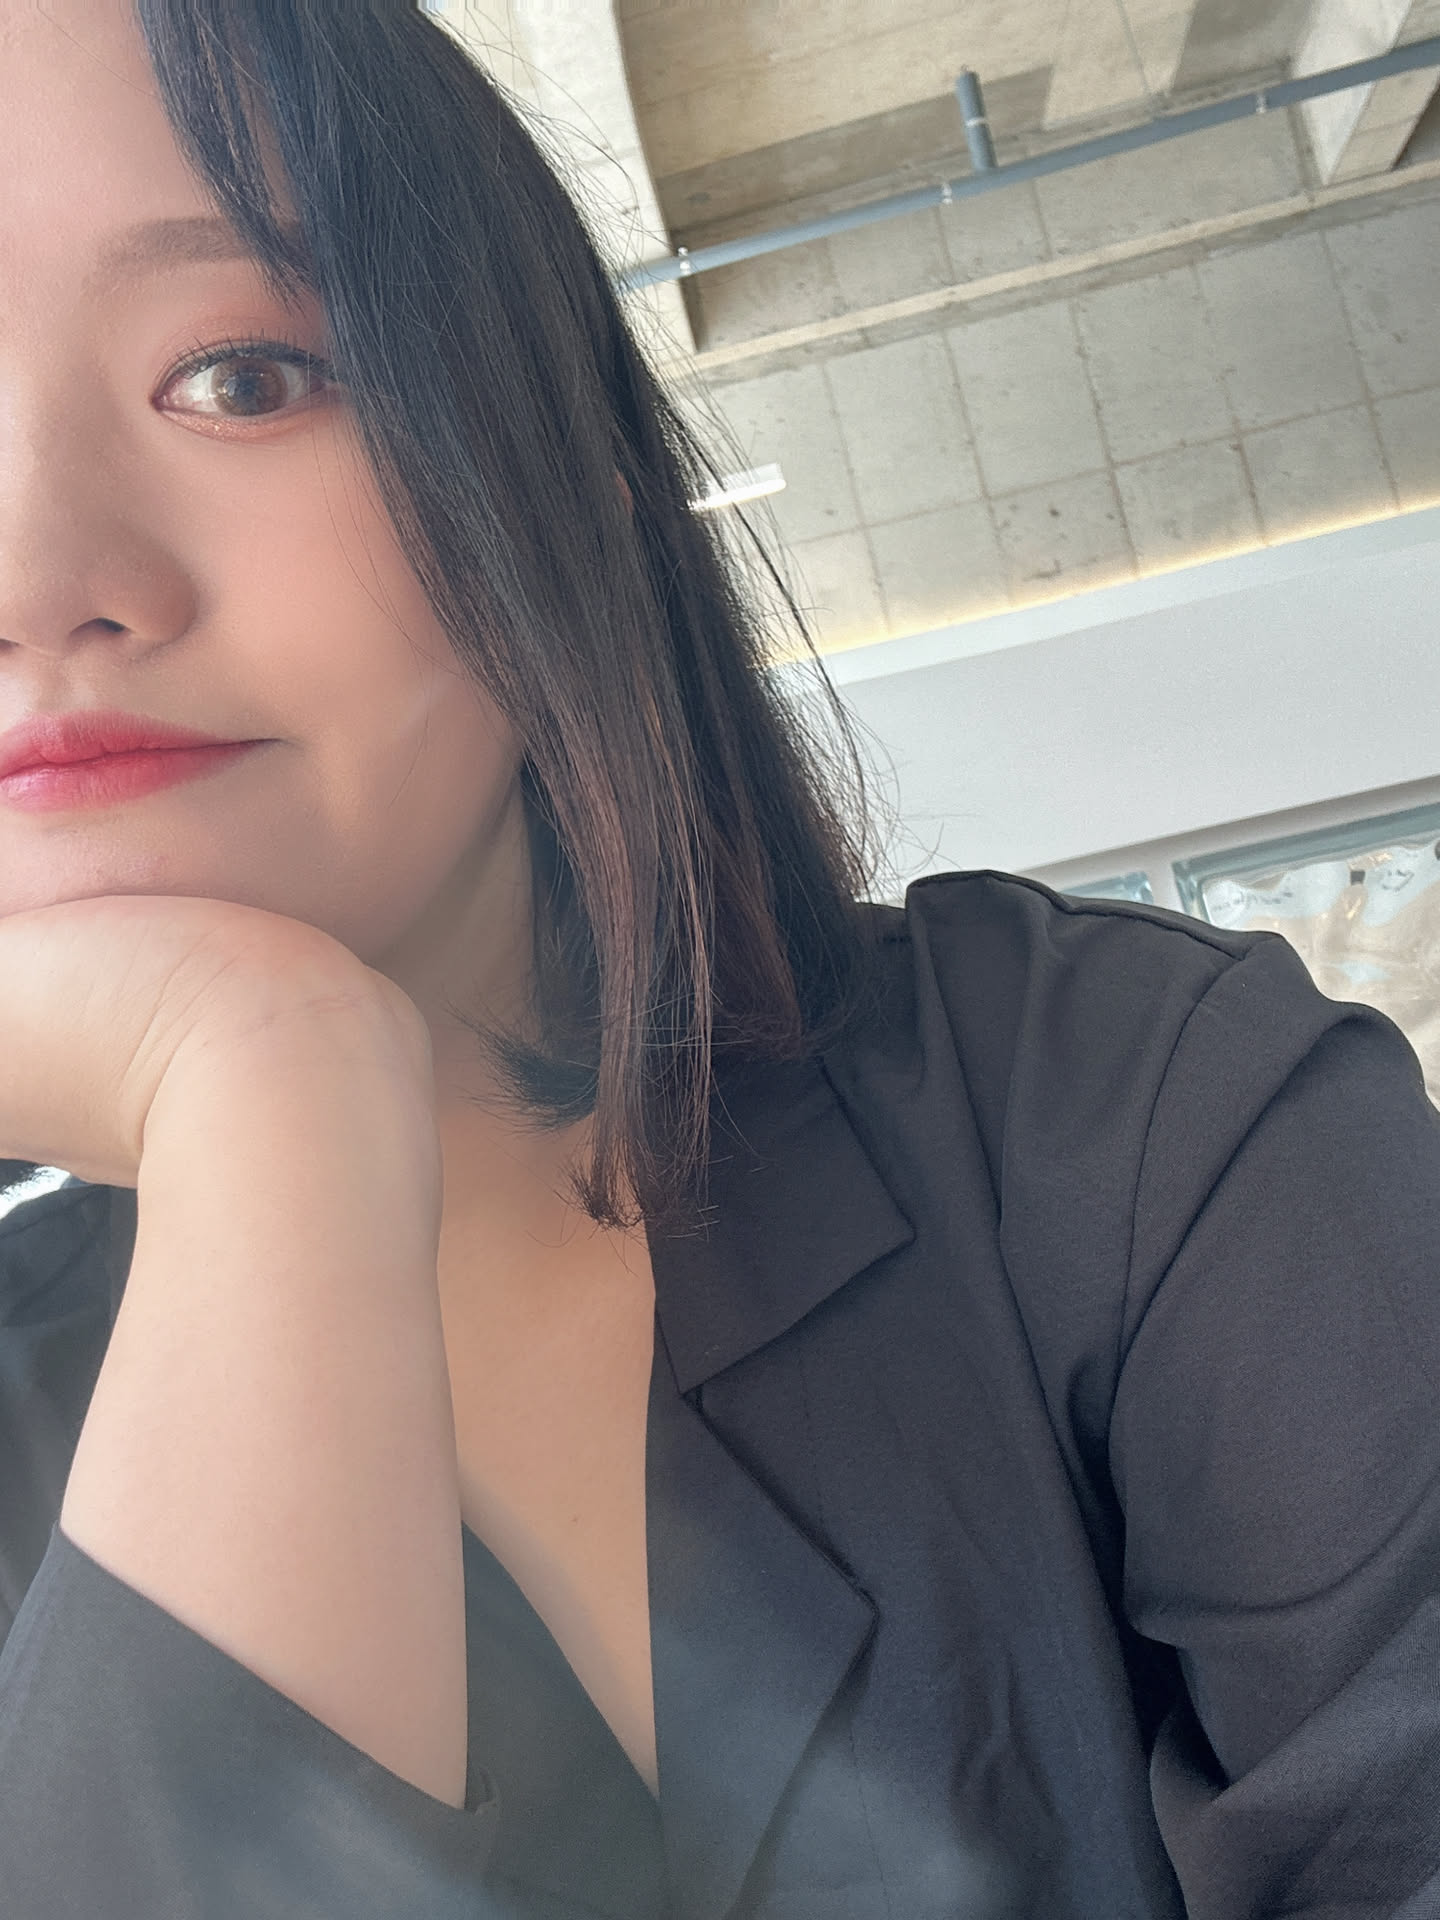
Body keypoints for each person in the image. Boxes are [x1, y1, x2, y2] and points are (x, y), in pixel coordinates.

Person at [0, 3, 1437, 1916]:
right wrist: (263, 1090)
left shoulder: (1133, 1123)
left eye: (242, 376)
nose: (35, 575)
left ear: (564, 497)